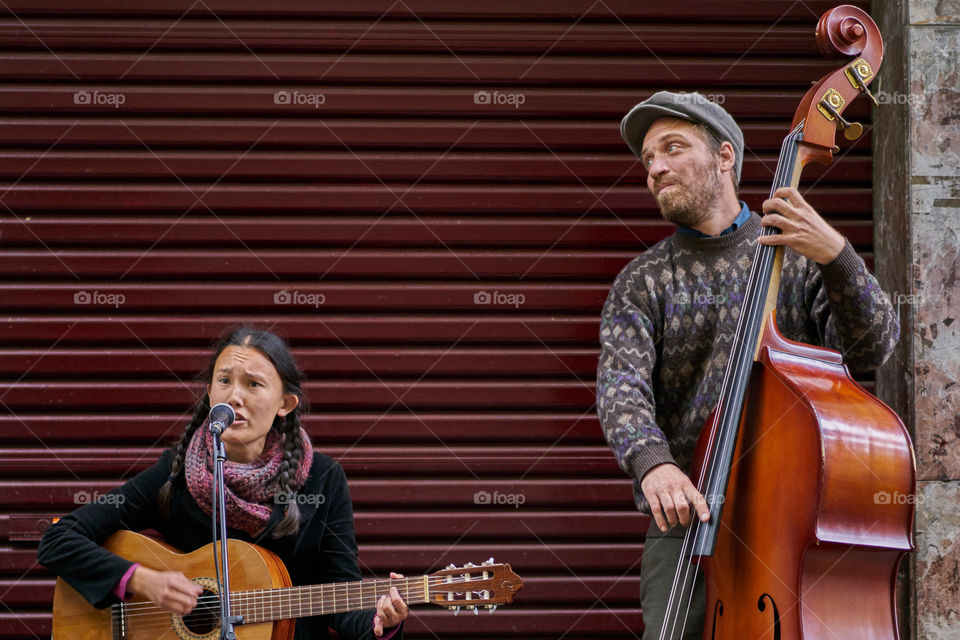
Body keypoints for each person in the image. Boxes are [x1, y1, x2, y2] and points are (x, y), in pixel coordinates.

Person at [596, 91, 898, 639]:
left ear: (725, 156)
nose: (655, 167)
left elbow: (874, 346)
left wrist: (837, 256)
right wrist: (653, 463)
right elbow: (621, 388)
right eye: (648, 158)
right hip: (689, 524)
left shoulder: (798, 256)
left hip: (794, 521)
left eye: (672, 148)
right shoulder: (642, 282)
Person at [38, 327, 408, 639]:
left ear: (285, 403)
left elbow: (341, 602)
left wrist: (382, 622)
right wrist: (141, 580)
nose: (235, 396)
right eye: (225, 381)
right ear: (210, 393)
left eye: (253, 384)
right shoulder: (175, 474)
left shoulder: (322, 479)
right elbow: (58, 539)